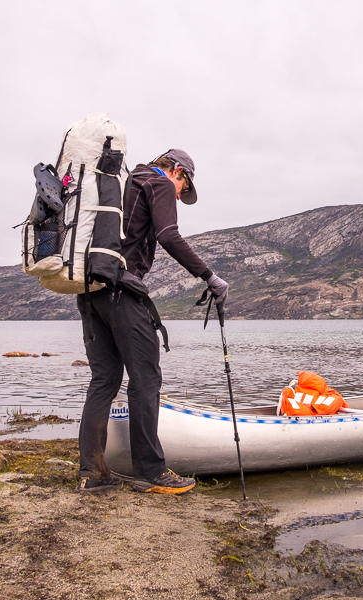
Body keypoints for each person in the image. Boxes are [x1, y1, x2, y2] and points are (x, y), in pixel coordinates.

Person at [76, 148, 228, 494]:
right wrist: (209, 276)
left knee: (104, 379)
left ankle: (93, 474)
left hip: (89, 289)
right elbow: (168, 236)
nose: (179, 193)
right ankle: (150, 471)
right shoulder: (156, 183)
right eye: (183, 184)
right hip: (119, 290)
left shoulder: (124, 185)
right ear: (175, 170)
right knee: (145, 377)